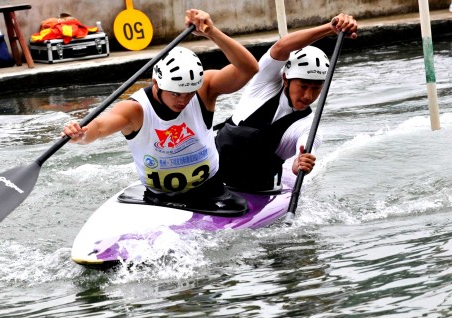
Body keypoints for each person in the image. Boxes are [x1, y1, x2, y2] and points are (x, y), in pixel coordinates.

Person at [62, 9, 258, 212]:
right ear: (157, 83)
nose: (183, 100)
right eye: (175, 94)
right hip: (158, 198)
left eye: (189, 93)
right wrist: (81, 134)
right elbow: (100, 127)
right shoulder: (135, 109)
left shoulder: (204, 89)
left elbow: (249, 69)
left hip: (209, 190)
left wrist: (212, 32)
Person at [215, 13, 358, 193]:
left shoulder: (308, 127)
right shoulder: (264, 82)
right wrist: (331, 28)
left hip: (255, 191)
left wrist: (300, 164)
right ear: (285, 78)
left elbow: (303, 153)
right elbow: (282, 47)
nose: (308, 95)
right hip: (211, 175)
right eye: (303, 86)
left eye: (316, 88)